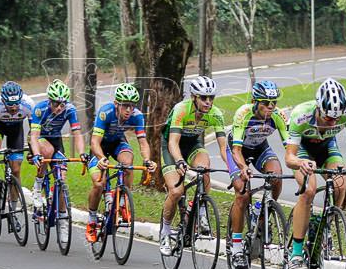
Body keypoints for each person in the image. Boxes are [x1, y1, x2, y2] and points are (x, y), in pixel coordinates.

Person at [283, 78, 346, 269]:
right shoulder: (301, 115)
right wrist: (301, 163)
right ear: (318, 108)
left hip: (327, 147)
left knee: (340, 183)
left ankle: (325, 226)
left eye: (337, 118)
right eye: (328, 118)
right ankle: (297, 254)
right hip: (303, 150)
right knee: (308, 190)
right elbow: (289, 157)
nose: (333, 122)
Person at [159, 75, 229, 256]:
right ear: (194, 97)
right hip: (171, 146)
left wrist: (233, 166)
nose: (208, 102)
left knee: (205, 168)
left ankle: (202, 210)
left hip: (193, 144)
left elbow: (223, 147)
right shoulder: (181, 109)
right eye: (203, 98)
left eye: (211, 98)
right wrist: (180, 161)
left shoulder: (216, 114)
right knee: (176, 192)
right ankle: (165, 231)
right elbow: (173, 143)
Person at [227, 80, 289, 269]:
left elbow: (290, 149)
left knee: (276, 176)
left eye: (274, 103)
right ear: (255, 101)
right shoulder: (243, 114)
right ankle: (236, 247)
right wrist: (243, 167)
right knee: (243, 193)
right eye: (265, 103)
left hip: (260, 147)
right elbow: (236, 150)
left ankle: (261, 216)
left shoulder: (276, 115)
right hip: (237, 151)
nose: (270, 107)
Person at [86, 83, 156, 243]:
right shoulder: (106, 112)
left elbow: (143, 142)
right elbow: (94, 142)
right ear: (116, 104)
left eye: (132, 106)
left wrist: (147, 160)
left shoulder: (137, 116)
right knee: (99, 184)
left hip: (118, 142)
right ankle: (91, 220)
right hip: (100, 146)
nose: (129, 110)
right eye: (125, 106)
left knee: (128, 163)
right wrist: (101, 158)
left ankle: (123, 199)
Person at [29, 79, 87, 211]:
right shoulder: (40, 109)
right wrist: (37, 154)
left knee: (62, 176)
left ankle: (62, 219)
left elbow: (77, 133)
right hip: (40, 137)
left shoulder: (70, 110)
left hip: (56, 140)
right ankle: (38, 186)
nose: (59, 107)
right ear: (50, 100)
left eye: (63, 104)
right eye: (56, 103)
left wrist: (82, 153)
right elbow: (34, 135)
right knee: (47, 151)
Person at [0, 81, 35, 211]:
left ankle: (14, 209)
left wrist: (33, 151)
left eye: (16, 104)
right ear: (3, 101)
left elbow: (35, 131)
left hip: (16, 130)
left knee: (16, 170)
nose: (14, 108)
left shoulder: (28, 104)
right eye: (10, 105)